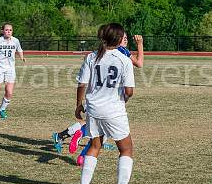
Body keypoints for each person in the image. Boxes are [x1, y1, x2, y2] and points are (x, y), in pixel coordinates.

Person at [52, 32, 144, 164]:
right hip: (113, 98)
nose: (125, 40)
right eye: (122, 38)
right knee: (109, 137)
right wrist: (140, 44)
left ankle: (72, 138)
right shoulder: (121, 52)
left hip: (96, 97)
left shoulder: (99, 53)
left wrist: (79, 102)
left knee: (97, 128)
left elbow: (83, 82)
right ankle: (81, 148)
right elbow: (139, 64)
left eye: (126, 38)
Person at [75, 23, 143, 184]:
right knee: (126, 149)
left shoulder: (91, 57)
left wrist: (78, 104)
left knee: (94, 146)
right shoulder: (124, 60)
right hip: (113, 110)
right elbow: (129, 92)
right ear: (119, 39)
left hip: (93, 109)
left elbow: (82, 84)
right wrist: (124, 98)